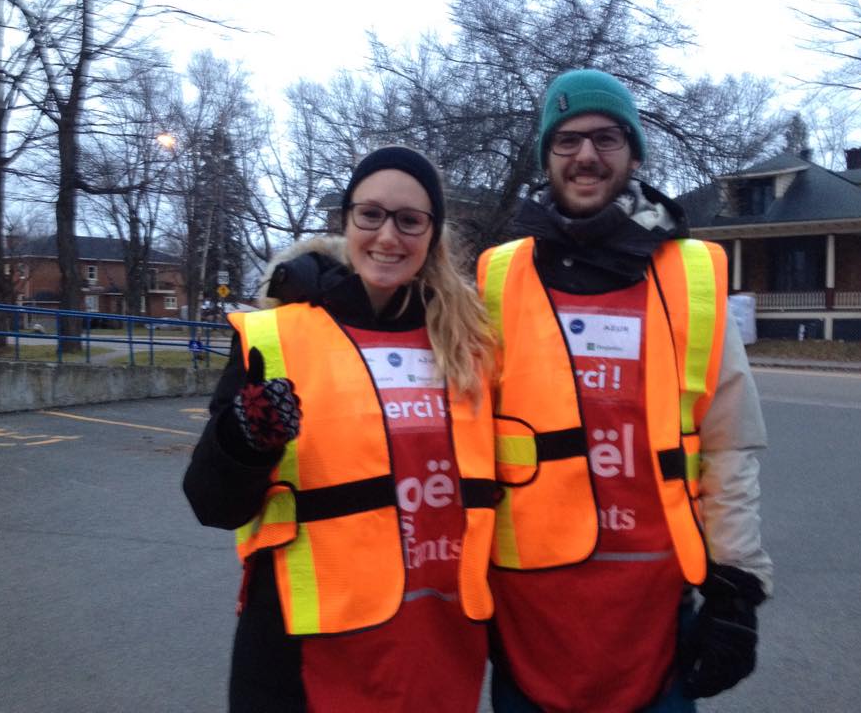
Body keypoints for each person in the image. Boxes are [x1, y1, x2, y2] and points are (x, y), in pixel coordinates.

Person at [477, 69, 772, 712]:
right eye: (567, 140)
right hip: (528, 616)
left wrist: (737, 589)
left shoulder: (692, 277)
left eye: (607, 138)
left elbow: (729, 447)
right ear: (546, 158)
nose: (586, 155)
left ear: (634, 153)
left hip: (655, 614)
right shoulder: (497, 279)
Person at [184, 145, 498, 712]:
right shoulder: (277, 336)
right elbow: (212, 503)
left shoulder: (469, 344)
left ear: (433, 234)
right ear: (347, 220)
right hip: (304, 656)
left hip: (435, 646)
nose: (388, 236)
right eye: (370, 214)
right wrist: (245, 440)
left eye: (410, 220)